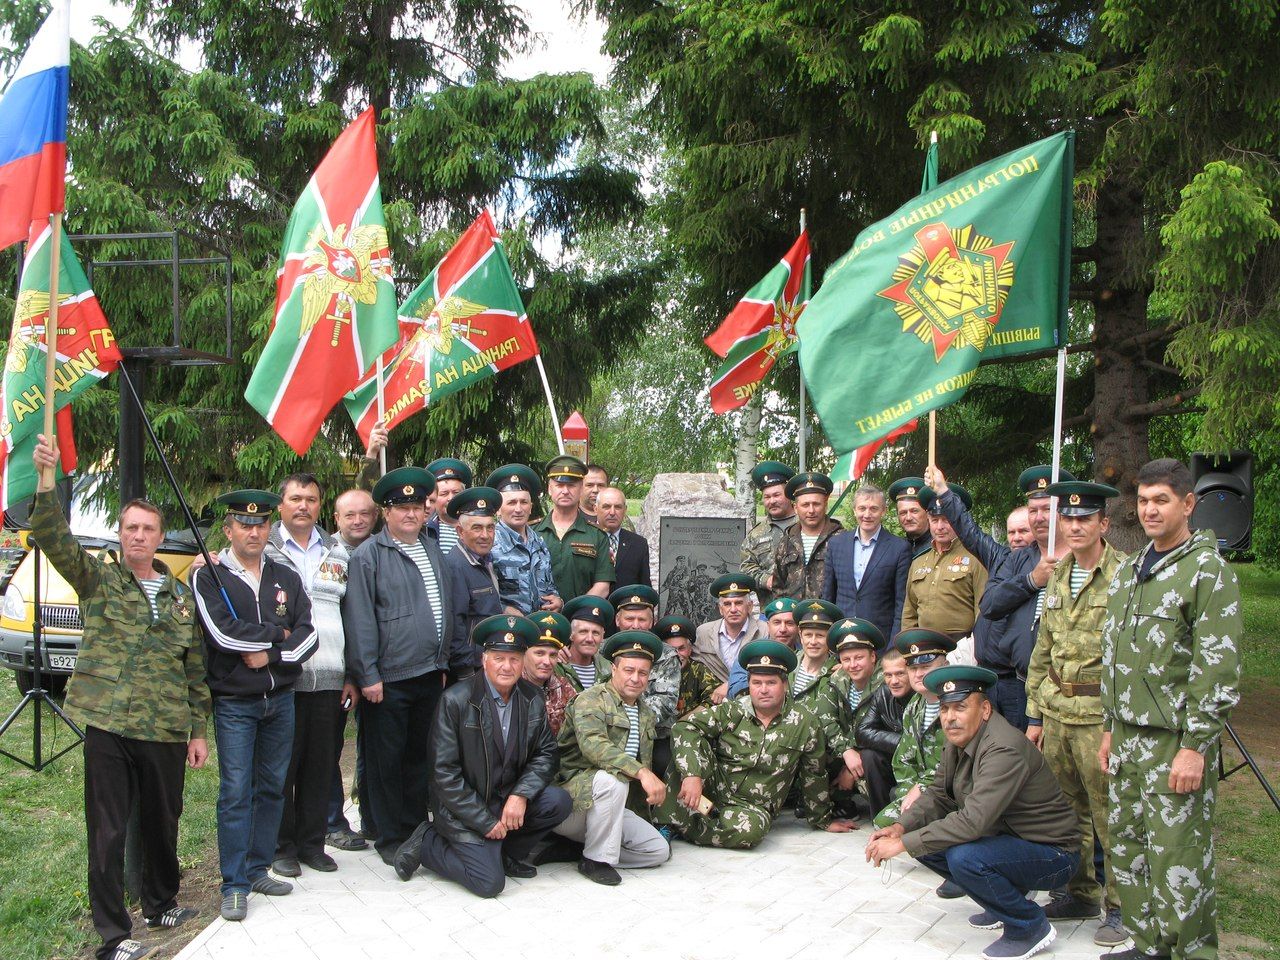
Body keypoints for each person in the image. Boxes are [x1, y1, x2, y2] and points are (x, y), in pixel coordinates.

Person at [31, 435, 210, 960]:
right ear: (120, 533)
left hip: (164, 729)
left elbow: (194, 670)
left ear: (159, 538)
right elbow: (50, 534)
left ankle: (160, 903)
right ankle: (113, 935)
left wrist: (198, 731)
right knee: (107, 832)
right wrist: (46, 480)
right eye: (130, 527)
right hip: (108, 725)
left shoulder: (180, 596)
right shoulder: (98, 579)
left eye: (147, 529)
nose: (138, 535)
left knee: (163, 820)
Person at [1099, 458, 1242, 960]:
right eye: (1142, 500)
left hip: (1174, 740)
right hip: (1128, 738)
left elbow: (1217, 668)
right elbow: (1116, 656)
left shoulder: (1207, 570)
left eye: (1161, 500)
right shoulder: (1131, 572)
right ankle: (1148, 944)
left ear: (1188, 503)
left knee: (1178, 856)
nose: (1149, 510)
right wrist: (1110, 727)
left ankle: (1190, 951)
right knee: (1130, 848)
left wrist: (1196, 747)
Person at [866, 666, 1080, 960]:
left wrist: (902, 844)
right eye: (944, 709)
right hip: (1012, 840)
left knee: (963, 857)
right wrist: (901, 828)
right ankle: (1002, 905)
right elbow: (939, 793)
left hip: (1055, 855)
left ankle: (1028, 926)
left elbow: (973, 821)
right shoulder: (960, 738)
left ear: (985, 709)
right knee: (925, 844)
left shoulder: (1002, 748)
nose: (950, 717)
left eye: (961, 707)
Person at [191, 489, 317, 922]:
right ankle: (234, 884)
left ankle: (258, 867)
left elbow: (308, 635)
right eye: (244, 524)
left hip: (280, 698)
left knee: (272, 787)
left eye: (261, 523)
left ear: (269, 527)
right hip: (236, 703)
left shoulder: (286, 576)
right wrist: (277, 634)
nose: (254, 531)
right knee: (235, 793)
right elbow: (222, 635)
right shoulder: (209, 575)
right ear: (228, 530)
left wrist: (274, 652)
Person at [342, 467, 471, 864]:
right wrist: (368, 674)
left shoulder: (433, 549)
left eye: (418, 507)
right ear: (387, 512)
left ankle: (415, 827)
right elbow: (360, 618)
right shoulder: (369, 555)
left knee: (419, 757)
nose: (411, 515)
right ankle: (388, 836)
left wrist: (444, 660)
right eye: (402, 508)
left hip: (429, 673)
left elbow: (444, 607)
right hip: (389, 677)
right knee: (386, 760)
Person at [393, 616, 573, 896]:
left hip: (507, 799)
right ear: (484, 659)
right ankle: (428, 842)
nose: (507, 667)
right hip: (465, 808)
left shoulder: (532, 698)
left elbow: (546, 753)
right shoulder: (455, 700)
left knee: (558, 801)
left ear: (522, 660)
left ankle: (504, 855)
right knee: (489, 884)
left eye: (514, 659)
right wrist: (484, 821)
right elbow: (444, 774)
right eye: (499, 658)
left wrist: (521, 795)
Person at [1023, 481, 1127, 945]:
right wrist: (1034, 714)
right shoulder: (1059, 572)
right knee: (1068, 813)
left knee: (1112, 814)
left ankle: (1123, 907)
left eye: (1086, 518)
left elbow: (1130, 657)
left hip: (1100, 717)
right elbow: (1043, 647)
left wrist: (1116, 724)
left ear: (1103, 523)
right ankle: (1080, 892)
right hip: (1058, 711)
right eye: (1070, 518)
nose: (1076, 525)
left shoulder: (1125, 574)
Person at [655, 639, 857, 848]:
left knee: (752, 832)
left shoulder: (805, 723)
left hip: (752, 807)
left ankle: (682, 823)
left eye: (771, 683)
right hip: (715, 787)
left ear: (785, 684)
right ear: (749, 684)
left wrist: (822, 820)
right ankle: (668, 823)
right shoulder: (733, 710)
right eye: (757, 683)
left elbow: (813, 774)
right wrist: (692, 774)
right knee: (689, 752)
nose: (763, 690)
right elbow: (684, 727)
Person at [925, 464, 1076, 730]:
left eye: (1047, 509)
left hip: (1052, 686)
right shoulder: (1012, 561)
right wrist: (1031, 581)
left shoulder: (1081, 562)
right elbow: (990, 603)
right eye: (1033, 511)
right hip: (1003, 679)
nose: (1039, 518)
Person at [265, 473, 354, 878]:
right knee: (282, 766)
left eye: (312, 499)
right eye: (296, 498)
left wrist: (352, 672)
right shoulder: (263, 548)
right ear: (281, 505)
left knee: (321, 765)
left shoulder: (337, 551)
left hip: (332, 675)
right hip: (283, 678)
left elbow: (352, 613)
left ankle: (312, 844)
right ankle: (281, 847)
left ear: (321, 506)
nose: (304, 506)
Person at [553, 632, 671, 885]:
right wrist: (642, 773)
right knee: (612, 780)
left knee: (657, 850)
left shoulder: (646, 714)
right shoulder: (590, 700)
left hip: (611, 808)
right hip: (573, 801)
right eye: (629, 670)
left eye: (642, 672)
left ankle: (581, 851)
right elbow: (594, 745)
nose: (635, 678)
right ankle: (596, 860)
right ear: (614, 668)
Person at [325, 488, 379, 853]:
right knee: (328, 749)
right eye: (350, 515)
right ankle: (331, 821)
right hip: (331, 668)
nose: (358, 521)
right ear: (337, 519)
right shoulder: (324, 554)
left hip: (372, 667)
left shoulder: (380, 550)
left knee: (371, 745)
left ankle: (372, 816)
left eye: (365, 513)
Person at [873, 630, 953, 831]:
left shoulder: (957, 705)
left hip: (952, 792)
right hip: (921, 792)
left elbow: (954, 764)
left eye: (925, 667)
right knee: (881, 824)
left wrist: (921, 789)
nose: (918, 675)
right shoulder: (915, 706)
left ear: (945, 667)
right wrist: (909, 793)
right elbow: (903, 759)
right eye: (913, 668)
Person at [822, 483, 910, 647]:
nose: (867, 514)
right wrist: (829, 640)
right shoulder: (836, 544)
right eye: (862, 508)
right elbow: (828, 596)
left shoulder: (899, 548)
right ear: (854, 510)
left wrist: (893, 646)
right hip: (842, 638)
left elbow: (901, 604)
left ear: (883, 511)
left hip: (879, 640)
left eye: (874, 509)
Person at [608, 584, 680, 777]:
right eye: (629, 618)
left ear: (652, 621)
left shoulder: (666, 655)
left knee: (667, 765)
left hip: (655, 734)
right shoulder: (603, 651)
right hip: (607, 733)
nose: (635, 625)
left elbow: (666, 702)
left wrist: (627, 722)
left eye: (642, 619)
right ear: (617, 619)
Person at [814, 618, 884, 813]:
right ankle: (825, 804)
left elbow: (885, 731)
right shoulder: (835, 680)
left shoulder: (887, 684)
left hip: (872, 755)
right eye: (846, 659)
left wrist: (855, 758)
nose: (852, 665)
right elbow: (825, 719)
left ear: (872, 656)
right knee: (814, 747)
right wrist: (846, 752)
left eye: (858, 657)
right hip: (845, 751)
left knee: (866, 769)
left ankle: (884, 812)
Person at [900, 485, 988, 638]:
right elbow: (909, 613)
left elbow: (983, 611)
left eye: (947, 520)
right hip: (925, 645)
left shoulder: (976, 558)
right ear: (928, 520)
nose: (940, 527)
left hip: (962, 646)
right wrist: (909, 645)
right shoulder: (919, 562)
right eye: (935, 520)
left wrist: (976, 649)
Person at [533, 455, 615, 600]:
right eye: (559, 485)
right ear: (550, 489)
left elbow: (602, 586)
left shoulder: (597, 536)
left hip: (580, 618)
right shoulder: (532, 531)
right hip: (537, 617)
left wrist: (574, 609)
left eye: (571, 485)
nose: (565, 491)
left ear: (581, 489)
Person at [487, 464, 560, 615]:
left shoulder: (539, 543)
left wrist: (558, 601)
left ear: (531, 507)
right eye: (512, 502)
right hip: (508, 630)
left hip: (541, 629)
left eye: (524, 502)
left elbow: (549, 586)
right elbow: (481, 596)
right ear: (498, 509)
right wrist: (505, 610)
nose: (519, 509)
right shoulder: (489, 544)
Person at [444, 486, 505, 669]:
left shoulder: (485, 561)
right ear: (460, 532)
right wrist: (466, 671)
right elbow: (455, 625)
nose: (485, 535)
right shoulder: (456, 565)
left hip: (488, 661)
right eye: (477, 528)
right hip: (471, 667)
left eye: (490, 528)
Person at [856, 647, 914, 818]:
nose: (893, 681)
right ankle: (881, 817)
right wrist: (903, 743)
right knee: (869, 756)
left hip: (921, 766)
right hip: (897, 759)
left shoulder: (923, 695)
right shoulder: (883, 693)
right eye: (888, 675)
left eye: (900, 674)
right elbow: (862, 731)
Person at [691, 573, 765, 700]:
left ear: (750, 606)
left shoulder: (764, 631)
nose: (733, 609)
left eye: (738, 603)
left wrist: (730, 684)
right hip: (713, 701)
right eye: (727, 604)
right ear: (720, 609)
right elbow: (695, 668)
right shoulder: (703, 632)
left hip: (752, 699)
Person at [772, 472, 843, 601]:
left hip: (827, 618)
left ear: (825, 505)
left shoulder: (841, 539)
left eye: (816, 504)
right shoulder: (787, 541)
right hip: (792, 618)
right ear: (795, 508)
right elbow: (778, 587)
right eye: (805, 505)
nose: (811, 510)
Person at [739, 460, 797, 608]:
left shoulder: (806, 526)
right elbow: (746, 568)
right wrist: (767, 580)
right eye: (767, 497)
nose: (772, 501)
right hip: (771, 612)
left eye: (777, 495)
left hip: (805, 612)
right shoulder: (756, 534)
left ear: (789, 495)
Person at [726, 596, 797, 698]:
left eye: (789, 623)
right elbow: (734, 691)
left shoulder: (806, 654)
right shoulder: (752, 652)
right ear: (768, 625)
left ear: (798, 627)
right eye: (777, 623)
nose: (783, 629)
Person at [522, 612, 577, 734]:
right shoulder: (510, 686)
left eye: (553, 655)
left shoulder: (564, 688)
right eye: (539, 653)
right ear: (524, 652)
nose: (547, 662)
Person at [657, 615, 717, 717]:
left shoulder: (698, 670)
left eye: (681, 649)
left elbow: (713, 700)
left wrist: (686, 721)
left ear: (690, 649)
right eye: (671, 650)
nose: (677, 655)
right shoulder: (654, 671)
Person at [555, 595, 614, 693]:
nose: (590, 639)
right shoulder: (555, 666)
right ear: (571, 634)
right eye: (583, 631)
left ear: (602, 636)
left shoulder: (610, 671)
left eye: (595, 633)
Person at [789, 599, 842, 702]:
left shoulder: (838, 674)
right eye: (808, 635)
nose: (813, 642)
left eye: (820, 635)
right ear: (800, 635)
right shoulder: (788, 666)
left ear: (830, 638)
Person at [597, 487, 651, 587]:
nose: (612, 512)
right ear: (595, 509)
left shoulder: (639, 544)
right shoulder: (585, 539)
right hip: (592, 602)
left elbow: (644, 587)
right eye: (606, 507)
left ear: (625, 510)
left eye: (618, 507)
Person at [424, 457, 472, 555]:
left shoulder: (477, 527)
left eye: (456, 492)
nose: (451, 498)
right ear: (434, 498)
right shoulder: (425, 531)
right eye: (444, 494)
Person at [886, 476, 932, 559]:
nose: (908, 518)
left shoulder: (939, 545)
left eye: (914, 511)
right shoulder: (895, 549)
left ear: (927, 512)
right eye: (903, 513)